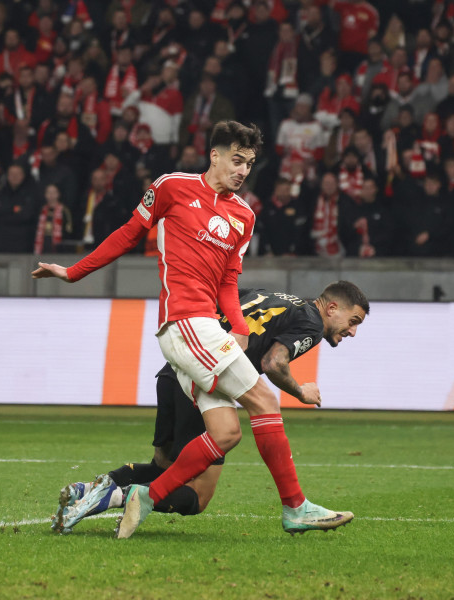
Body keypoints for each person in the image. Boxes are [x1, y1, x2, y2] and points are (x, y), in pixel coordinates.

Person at [31, 121, 348, 540]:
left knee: (226, 432)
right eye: (236, 160)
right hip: (184, 323)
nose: (242, 170)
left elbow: (228, 281)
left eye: (249, 163)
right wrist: (74, 272)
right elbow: (129, 234)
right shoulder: (172, 186)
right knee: (266, 401)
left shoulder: (244, 216)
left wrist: (237, 327)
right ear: (213, 155)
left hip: (206, 330)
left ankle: (144, 496)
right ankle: (295, 508)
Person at [53, 282, 369, 534]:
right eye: (352, 321)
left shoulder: (270, 296)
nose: (352, 331)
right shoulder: (311, 323)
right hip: (205, 377)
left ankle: (93, 488)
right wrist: (301, 391)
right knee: (199, 493)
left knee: (166, 466)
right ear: (331, 308)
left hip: (174, 370)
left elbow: (220, 307)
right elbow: (273, 362)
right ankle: (117, 496)